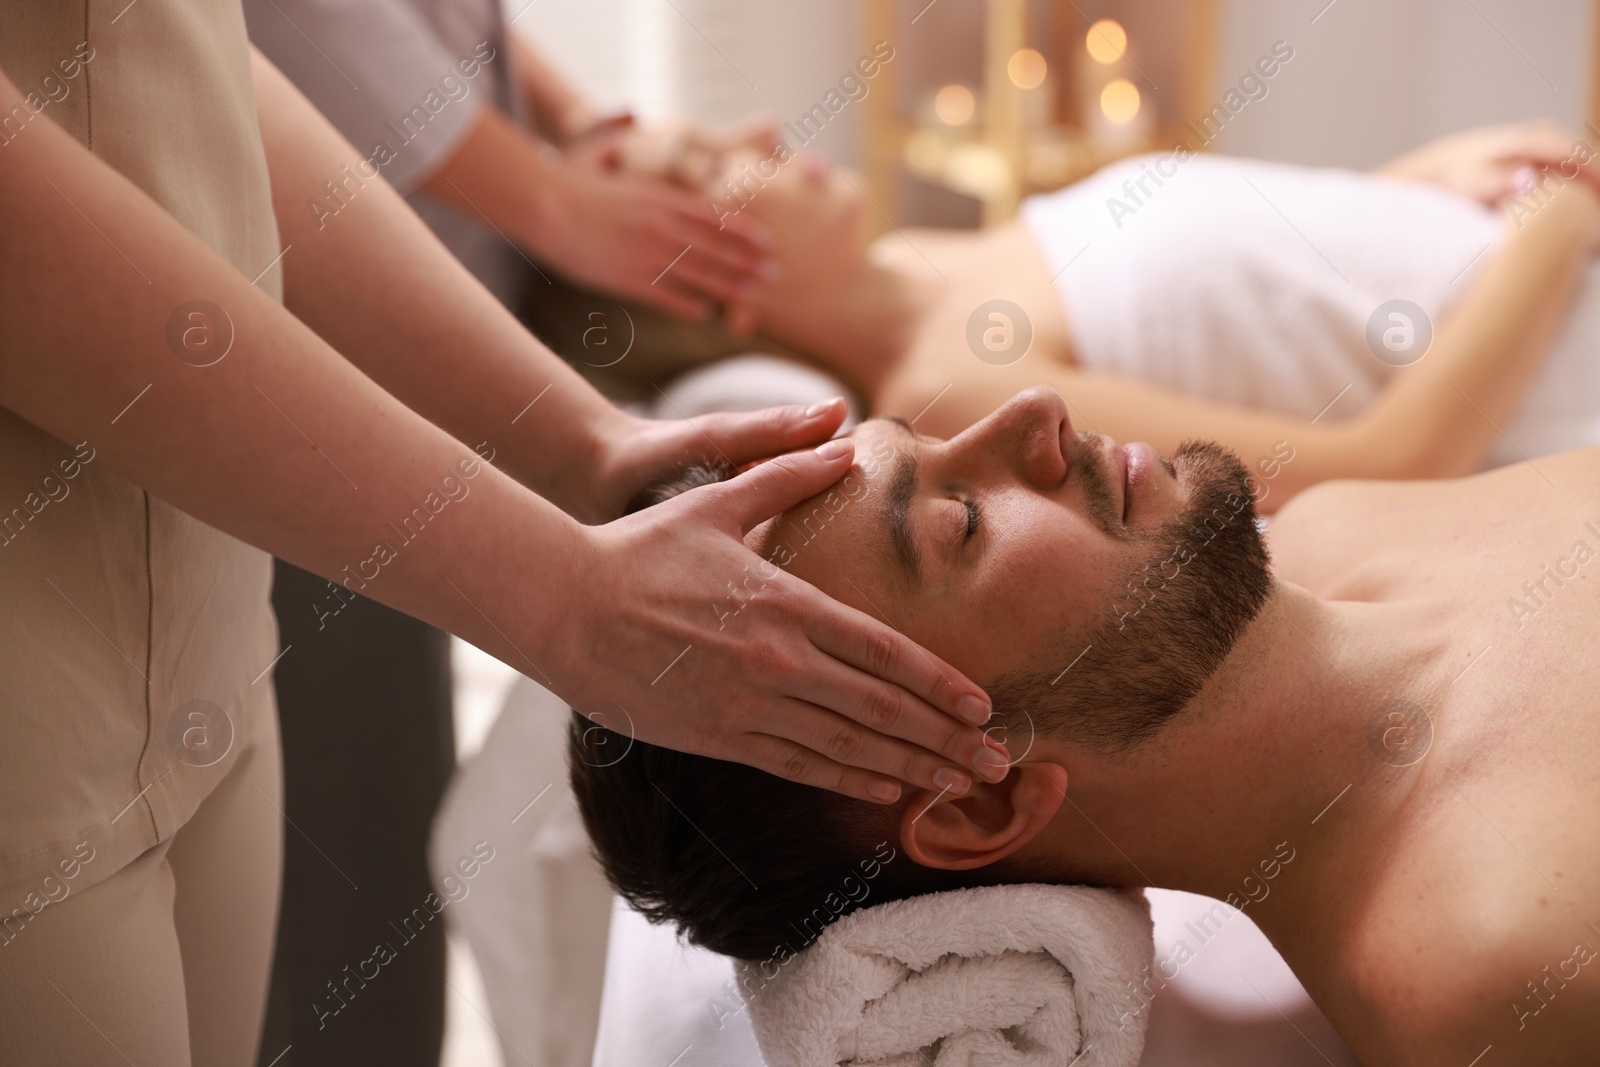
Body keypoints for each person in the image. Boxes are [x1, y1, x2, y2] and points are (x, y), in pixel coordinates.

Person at [0, 6, 1001, 1063]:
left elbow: (186, 73)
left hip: (206, 628)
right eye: (960, 523)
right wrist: (562, 597)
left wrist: (584, 444)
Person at [571, 386, 1600, 1064]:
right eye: (957, 520)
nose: (1034, 413)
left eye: (932, 440)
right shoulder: (1492, 958)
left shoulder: (1349, 521)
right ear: (981, 797)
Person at [239, 4, 782, 1059]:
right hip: (324, 373)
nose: (753, 165)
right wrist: (553, 194)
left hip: (410, 357)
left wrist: (577, 135)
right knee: (337, 860)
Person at [625, 122, 1600, 508]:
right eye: (711, 166)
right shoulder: (952, 384)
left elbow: (1266, 285)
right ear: (717, 294)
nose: (753, 133)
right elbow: (1384, 464)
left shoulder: (966, 250)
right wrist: (1548, 231)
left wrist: (1421, 181)